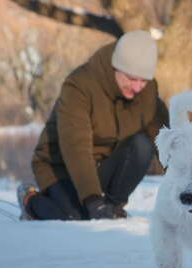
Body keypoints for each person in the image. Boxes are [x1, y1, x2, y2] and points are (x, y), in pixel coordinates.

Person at [16, 30, 169, 221]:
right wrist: (93, 201)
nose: (138, 87)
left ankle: (113, 207)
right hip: (60, 166)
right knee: (76, 217)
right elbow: (76, 147)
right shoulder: (79, 86)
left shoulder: (146, 92)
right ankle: (30, 200)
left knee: (141, 146)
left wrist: (187, 178)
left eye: (144, 80)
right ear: (117, 68)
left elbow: (165, 137)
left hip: (101, 165)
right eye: (131, 79)